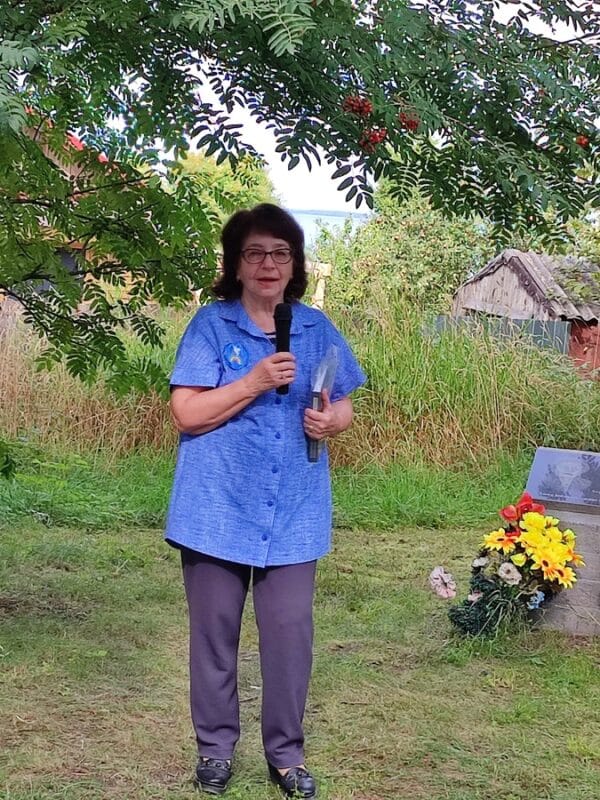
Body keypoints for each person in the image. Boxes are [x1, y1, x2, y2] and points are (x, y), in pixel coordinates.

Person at [165, 203, 365, 797]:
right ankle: (215, 750)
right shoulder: (211, 326)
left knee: (289, 637)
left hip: (293, 510)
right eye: (255, 253)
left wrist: (331, 422)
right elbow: (186, 412)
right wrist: (253, 381)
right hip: (215, 506)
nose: (268, 265)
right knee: (214, 637)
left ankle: (286, 755)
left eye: (281, 253)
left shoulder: (316, 329)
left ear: (295, 264)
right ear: (236, 264)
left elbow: (344, 403)